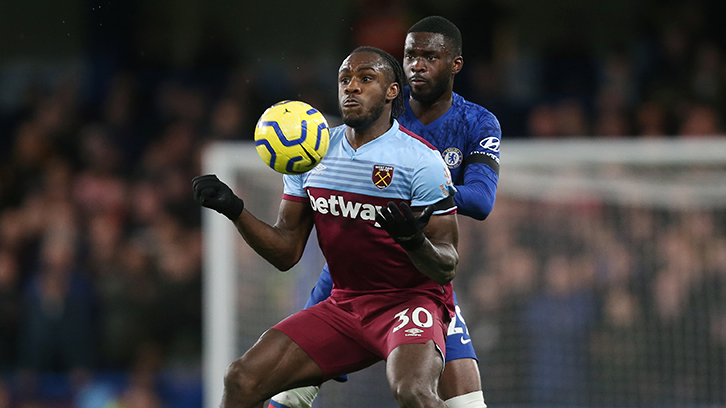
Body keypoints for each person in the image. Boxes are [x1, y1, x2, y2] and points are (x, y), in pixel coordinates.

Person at [193, 46, 460, 408]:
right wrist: (236, 210)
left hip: (409, 300)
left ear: (392, 91)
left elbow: (447, 263)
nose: (352, 87)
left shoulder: (421, 162)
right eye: (344, 79)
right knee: (241, 378)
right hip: (345, 303)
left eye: (366, 79)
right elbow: (287, 251)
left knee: (413, 392)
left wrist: (414, 242)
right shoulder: (312, 154)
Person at [270, 16, 500, 408]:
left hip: (421, 271)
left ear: (455, 64)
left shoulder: (476, 122)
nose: (417, 65)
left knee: (466, 401)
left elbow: (480, 200)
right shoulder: (381, 108)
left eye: (430, 56)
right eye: (410, 55)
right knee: (289, 391)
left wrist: (413, 190)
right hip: (350, 269)